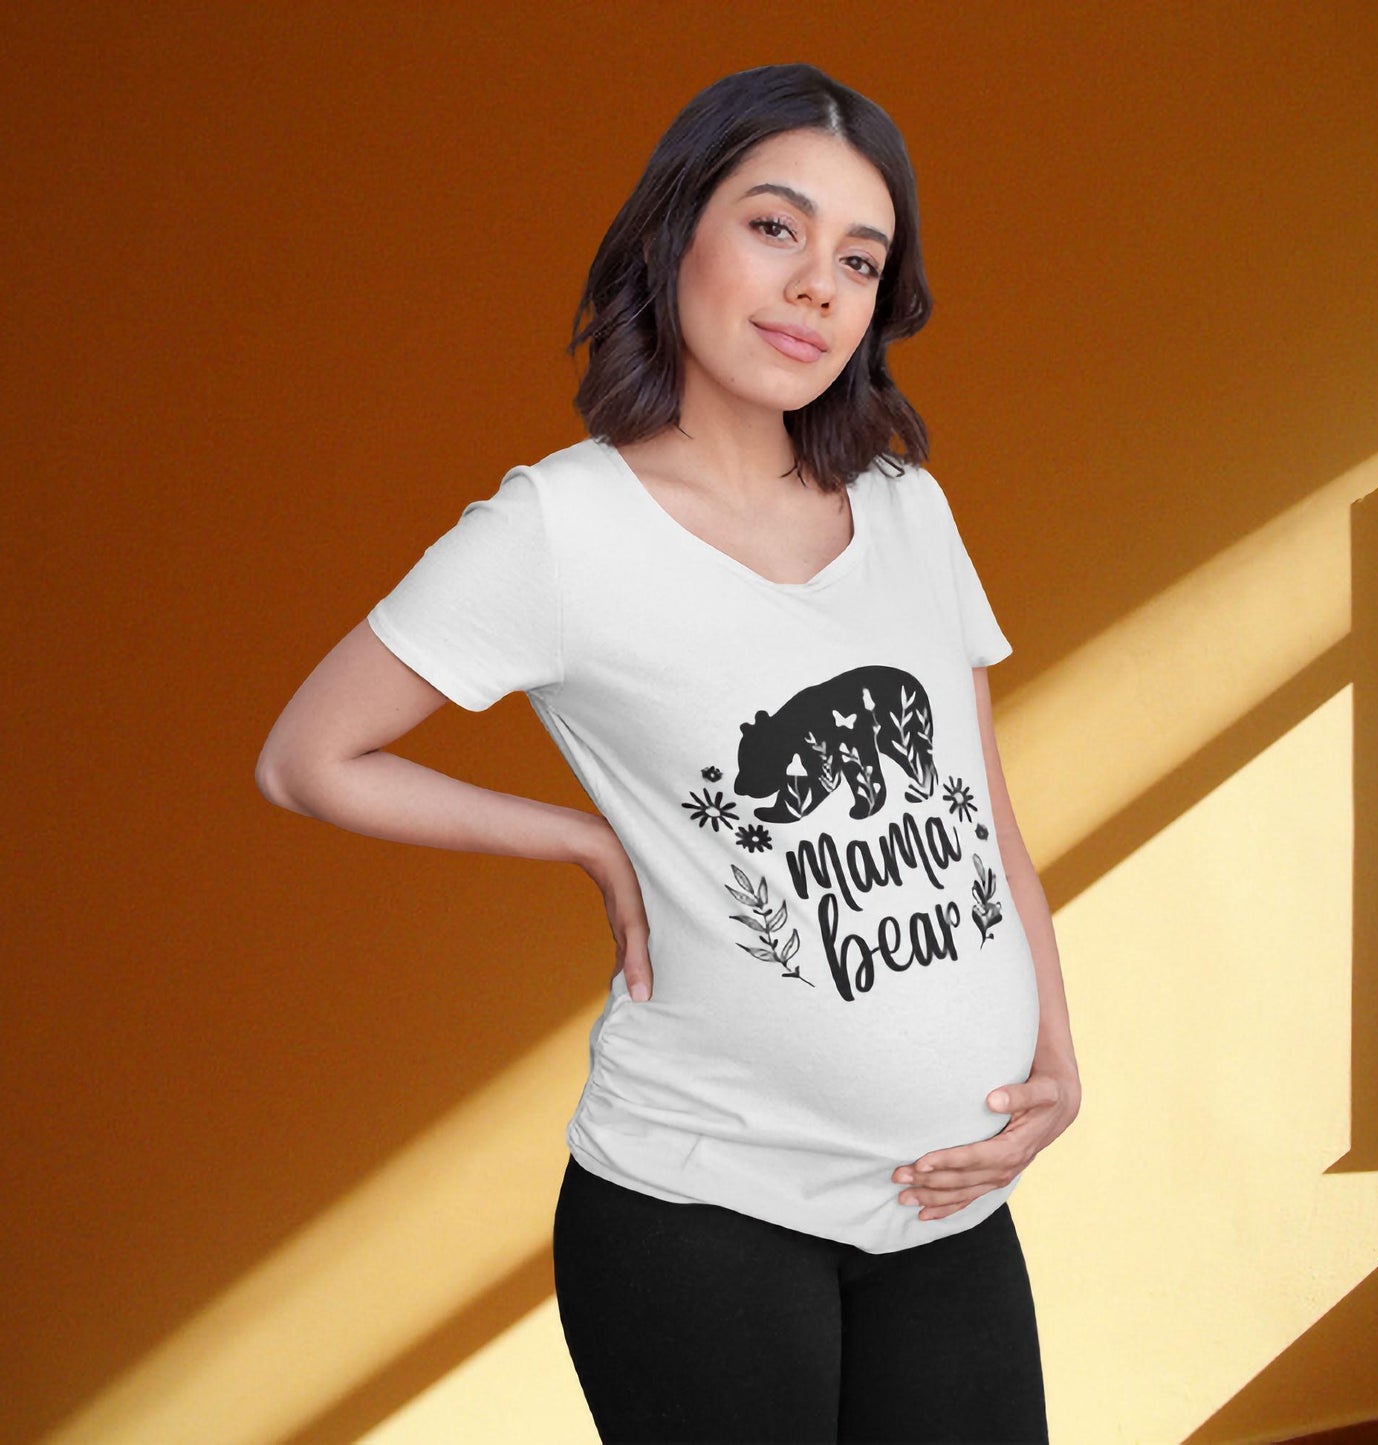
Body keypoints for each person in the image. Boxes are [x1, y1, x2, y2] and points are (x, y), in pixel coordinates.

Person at [257, 62, 1080, 1445]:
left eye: (859, 258)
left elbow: (982, 817)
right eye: (774, 226)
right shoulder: (559, 530)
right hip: (705, 1218)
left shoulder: (904, 506)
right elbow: (309, 758)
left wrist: (1052, 1052)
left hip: (945, 1204)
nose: (816, 284)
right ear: (676, 231)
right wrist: (585, 839)